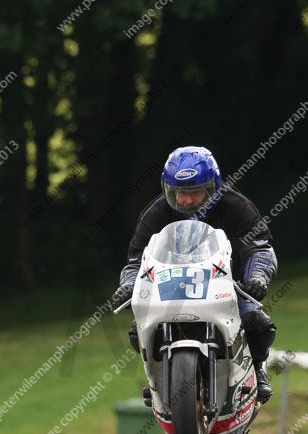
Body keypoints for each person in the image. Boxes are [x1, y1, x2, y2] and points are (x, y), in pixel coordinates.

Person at [112, 145, 277, 401]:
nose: (187, 200)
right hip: (169, 290)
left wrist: (257, 276)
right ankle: (158, 379)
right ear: (169, 191)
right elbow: (134, 262)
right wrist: (128, 284)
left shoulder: (235, 205)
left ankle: (257, 368)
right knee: (137, 330)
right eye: (180, 193)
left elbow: (260, 248)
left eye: (195, 192)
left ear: (213, 187)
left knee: (257, 321)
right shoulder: (155, 213)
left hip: (225, 287)